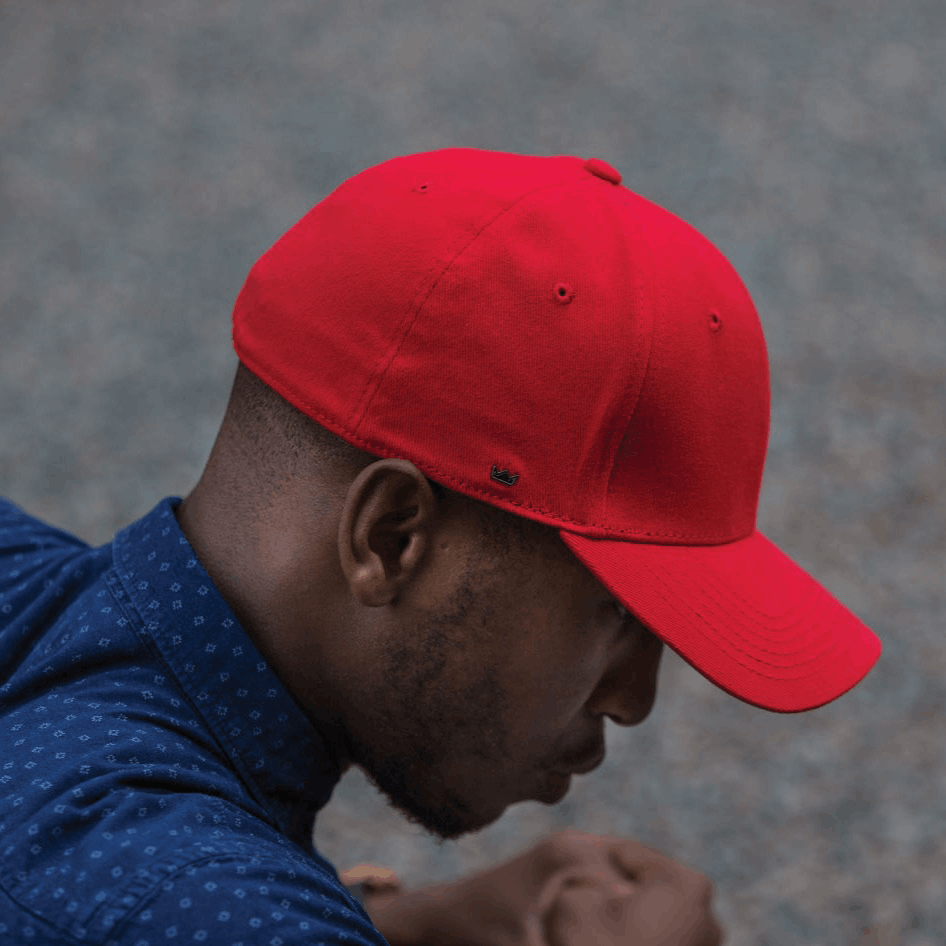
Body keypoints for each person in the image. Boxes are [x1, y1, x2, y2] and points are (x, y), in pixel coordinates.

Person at [0, 148, 882, 945]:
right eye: (617, 612)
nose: (636, 700)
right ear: (391, 537)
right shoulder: (182, 902)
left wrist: (400, 923)